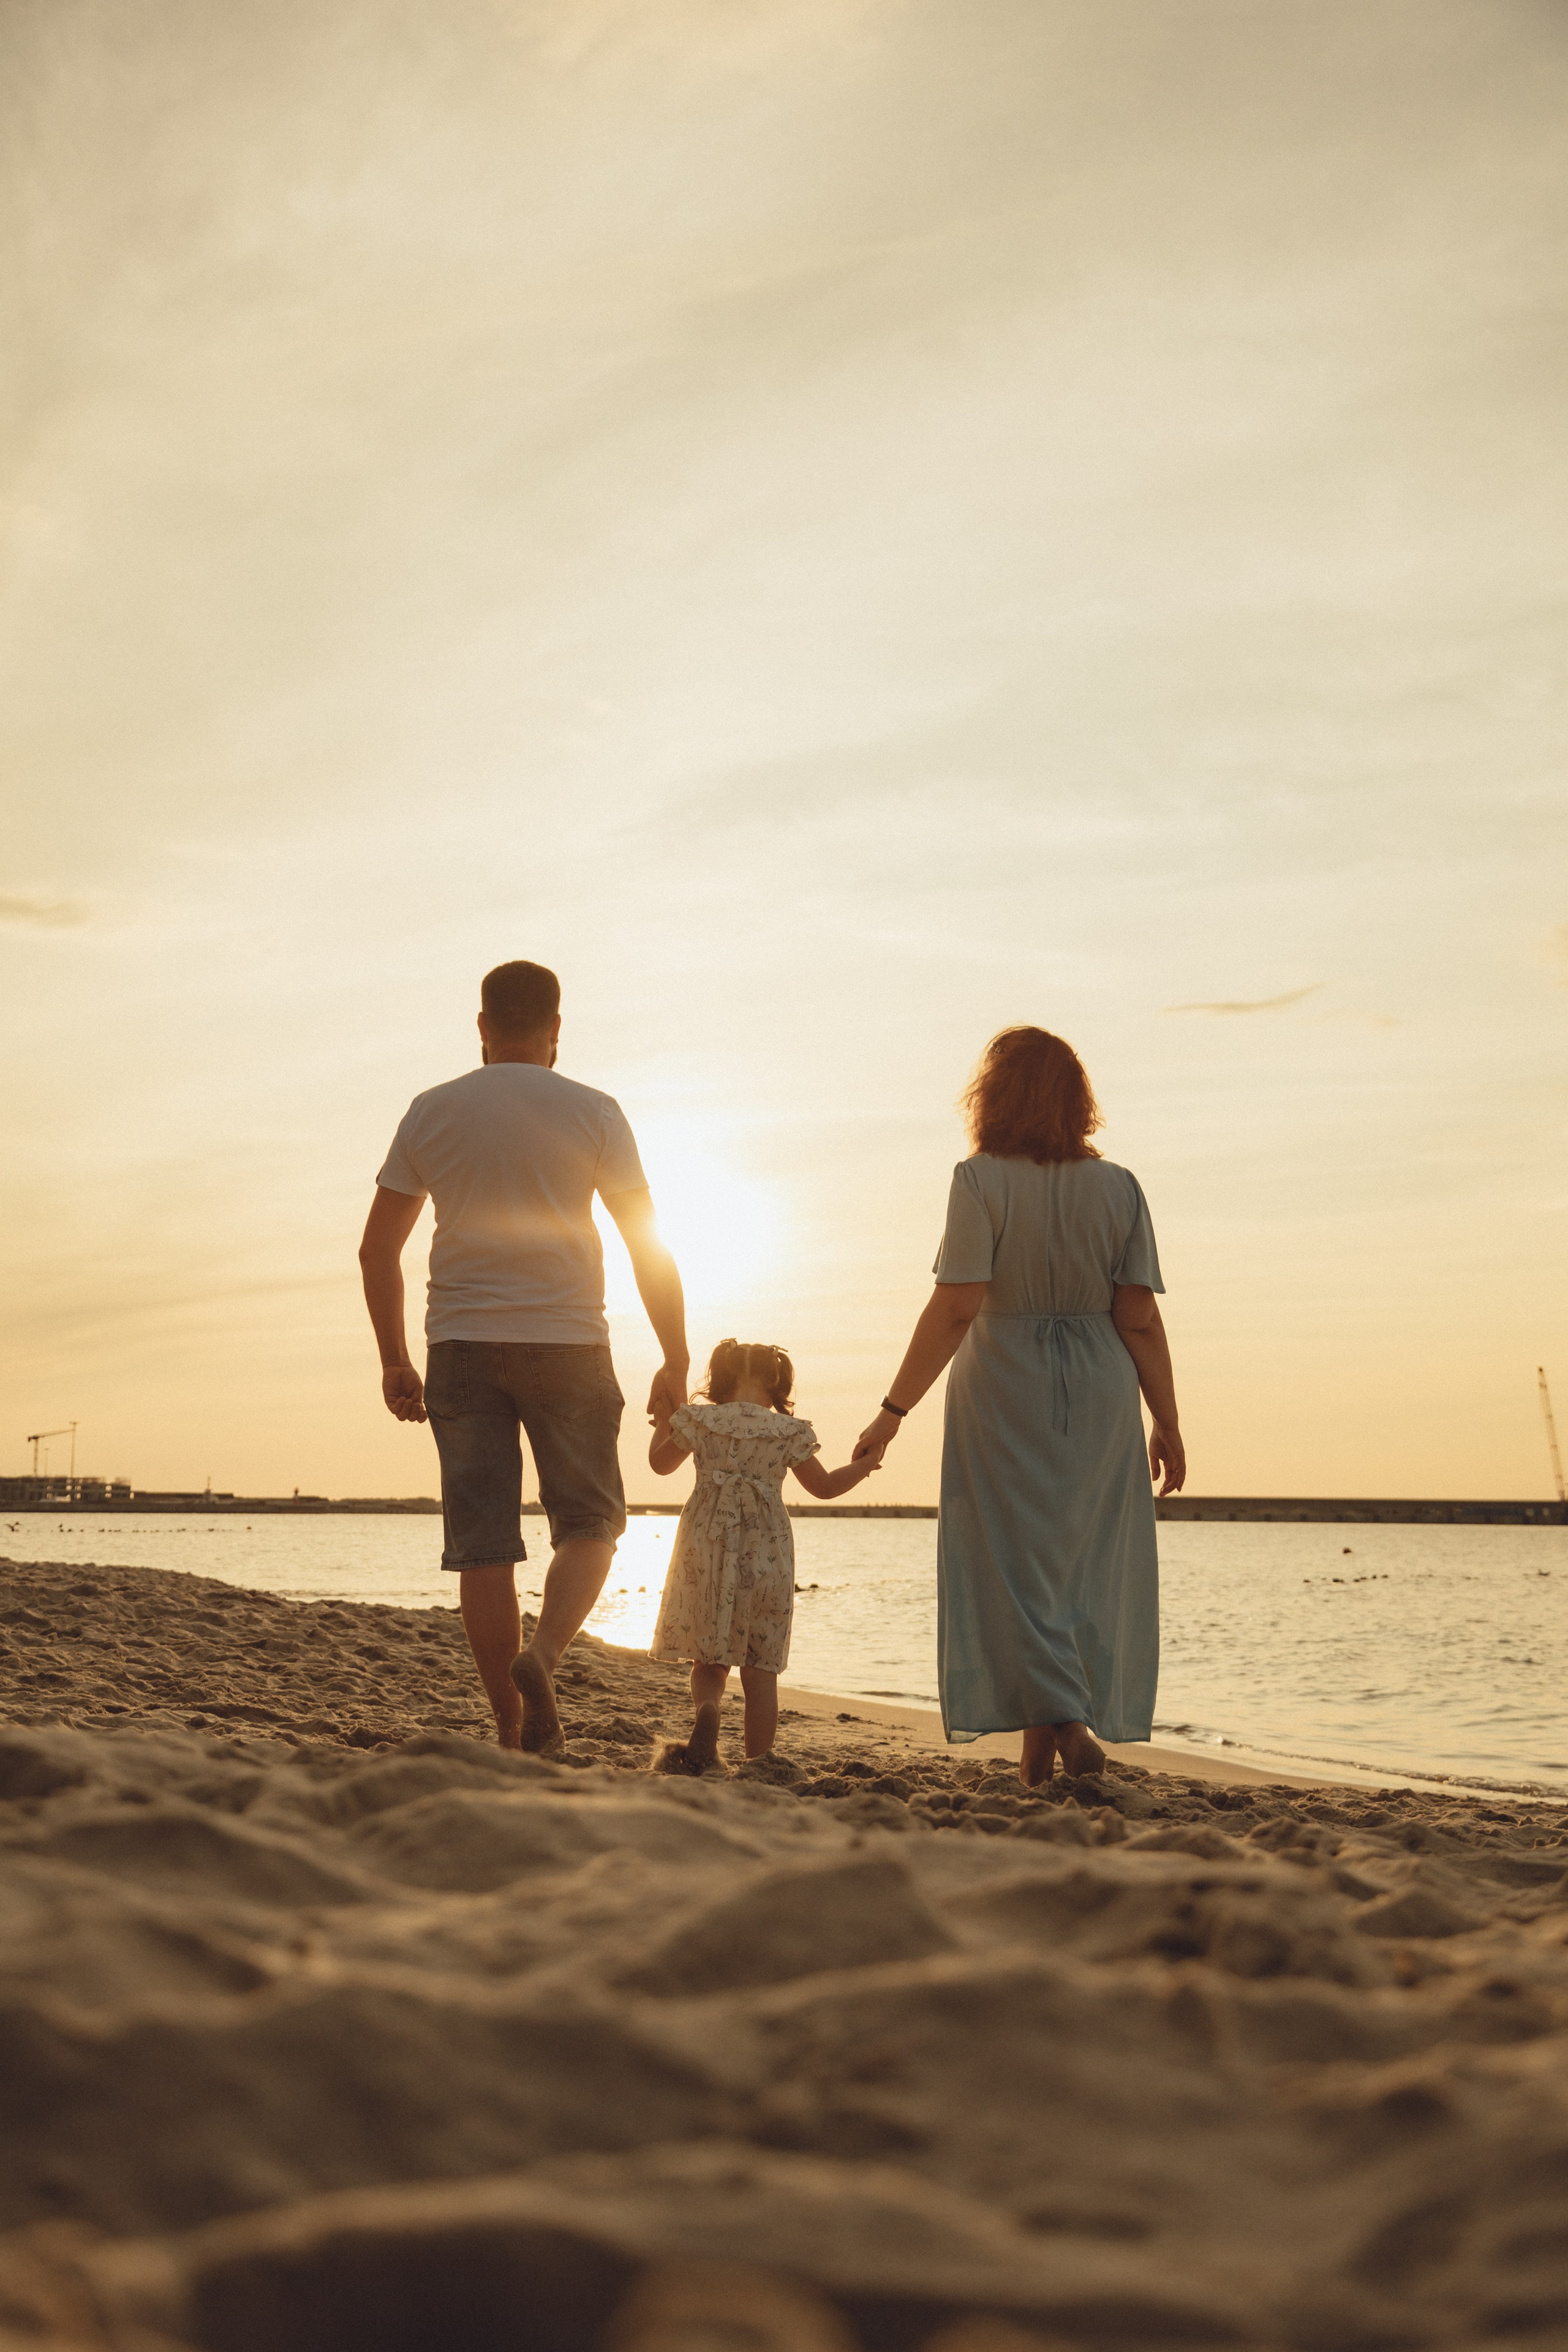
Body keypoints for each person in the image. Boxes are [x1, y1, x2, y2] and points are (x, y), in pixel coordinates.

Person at [358, 959, 689, 1755]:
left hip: (460, 1345)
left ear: (481, 1027)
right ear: (555, 1029)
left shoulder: (432, 1110)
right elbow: (647, 1246)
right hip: (568, 1341)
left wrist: (394, 1359)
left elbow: (377, 1251)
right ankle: (541, 1655)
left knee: (484, 1547)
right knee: (592, 1522)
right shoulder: (594, 1111)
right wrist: (675, 1357)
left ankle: (509, 1729)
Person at [854, 1027, 1185, 1787]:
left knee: (1008, 1565)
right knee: (1074, 1566)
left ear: (992, 1097)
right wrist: (1166, 1420)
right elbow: (1139, 1318)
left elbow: (955, 1306)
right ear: (1077, 1100)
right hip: (1101, 1384)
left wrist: (892, 1411)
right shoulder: (1121, 1187)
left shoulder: (979, 1179)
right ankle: (1039, 1764)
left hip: (1004, 1381)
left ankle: (1063, 1725)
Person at [647, 1338, 883, 1770]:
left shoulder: (701, 1421)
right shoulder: (787, 1432)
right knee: (760, 1668)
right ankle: (757, 1763)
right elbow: (825, 1488)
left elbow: (660, 1465)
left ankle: (709, 1708)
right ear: (776, 1381)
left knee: (709, 1656)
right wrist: (865, 1465)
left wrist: (664, 1421)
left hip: (706, 1543)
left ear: (721, 1379)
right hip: (766, 1548)